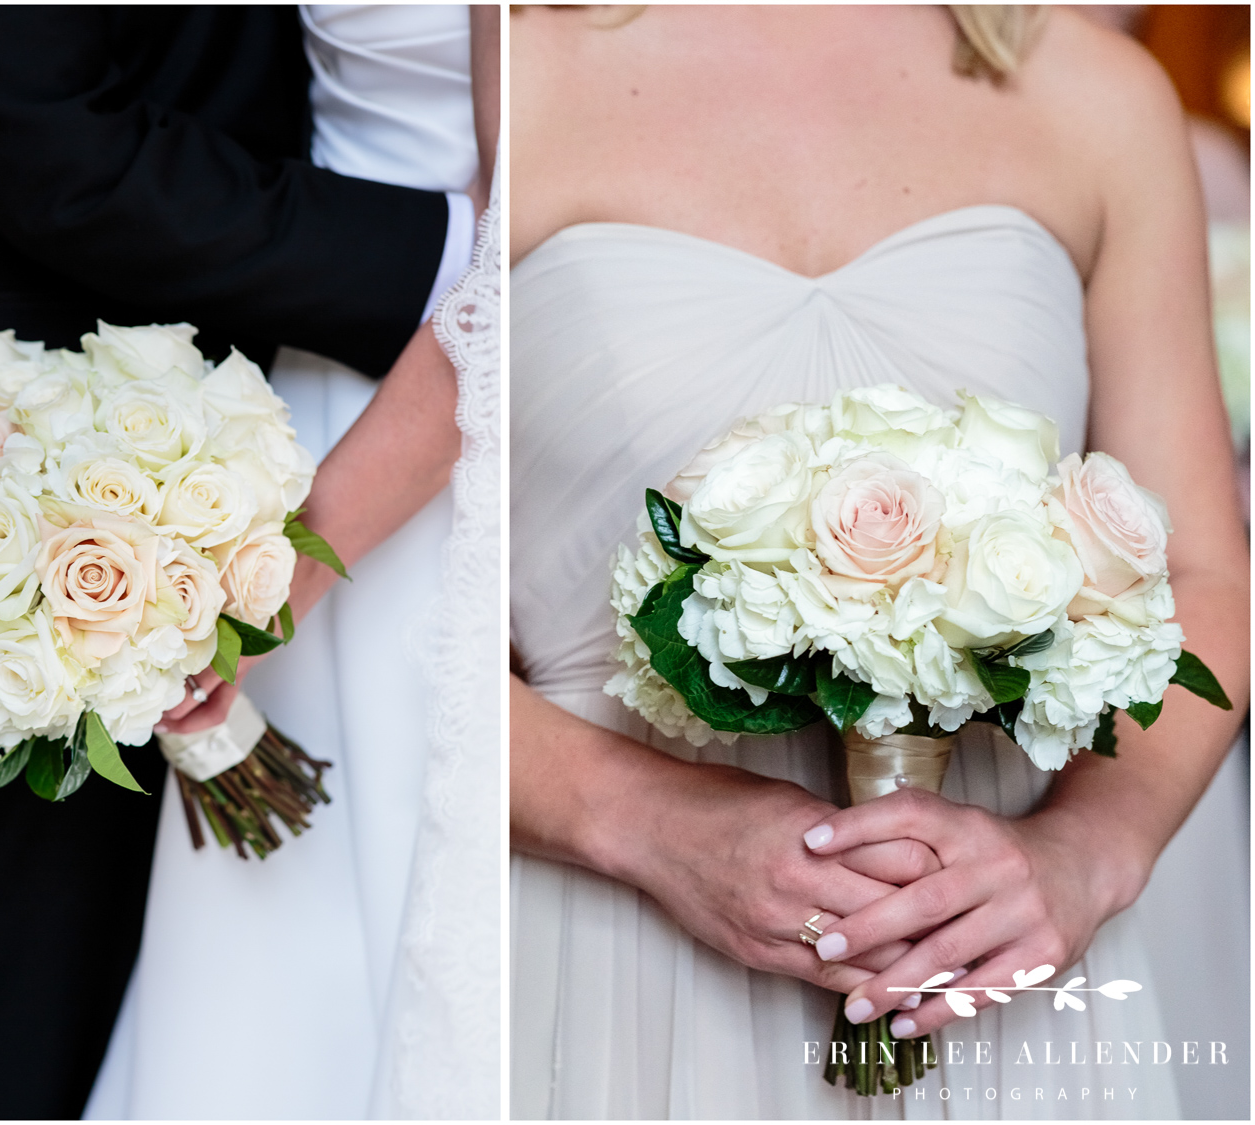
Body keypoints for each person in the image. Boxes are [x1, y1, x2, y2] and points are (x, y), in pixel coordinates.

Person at [509, 5, 1248, 1118]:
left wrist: (1089, 850)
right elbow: (373, 608)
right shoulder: (502, 66)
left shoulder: (1094, 91)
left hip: (995, 952)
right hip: (614, 939)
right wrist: (646, 821)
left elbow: (1203, 573)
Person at [0, 6, 479, 1118]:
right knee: (33, 1059)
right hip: (6, 513)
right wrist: (482, 273)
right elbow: (63, 152)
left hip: (331, 438)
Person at [84, 6, 500, 1119]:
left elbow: (518, 275)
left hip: (475, 405)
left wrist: (292, 568)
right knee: (283, 960)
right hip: (313, 368)